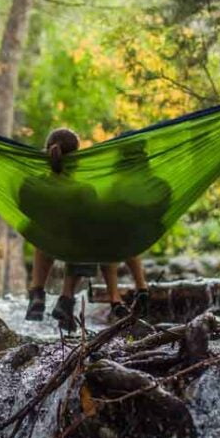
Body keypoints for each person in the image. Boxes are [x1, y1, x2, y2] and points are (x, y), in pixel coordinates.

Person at [21, 127, 150, 331]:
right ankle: (66, 298)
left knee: (44, 231)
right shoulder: (83, 190)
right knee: (86, 233)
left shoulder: (31, 185)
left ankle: (37, 292)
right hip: (75, 248)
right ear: (77, 159)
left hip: (46, 242)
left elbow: (23, 210)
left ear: (47, 152)